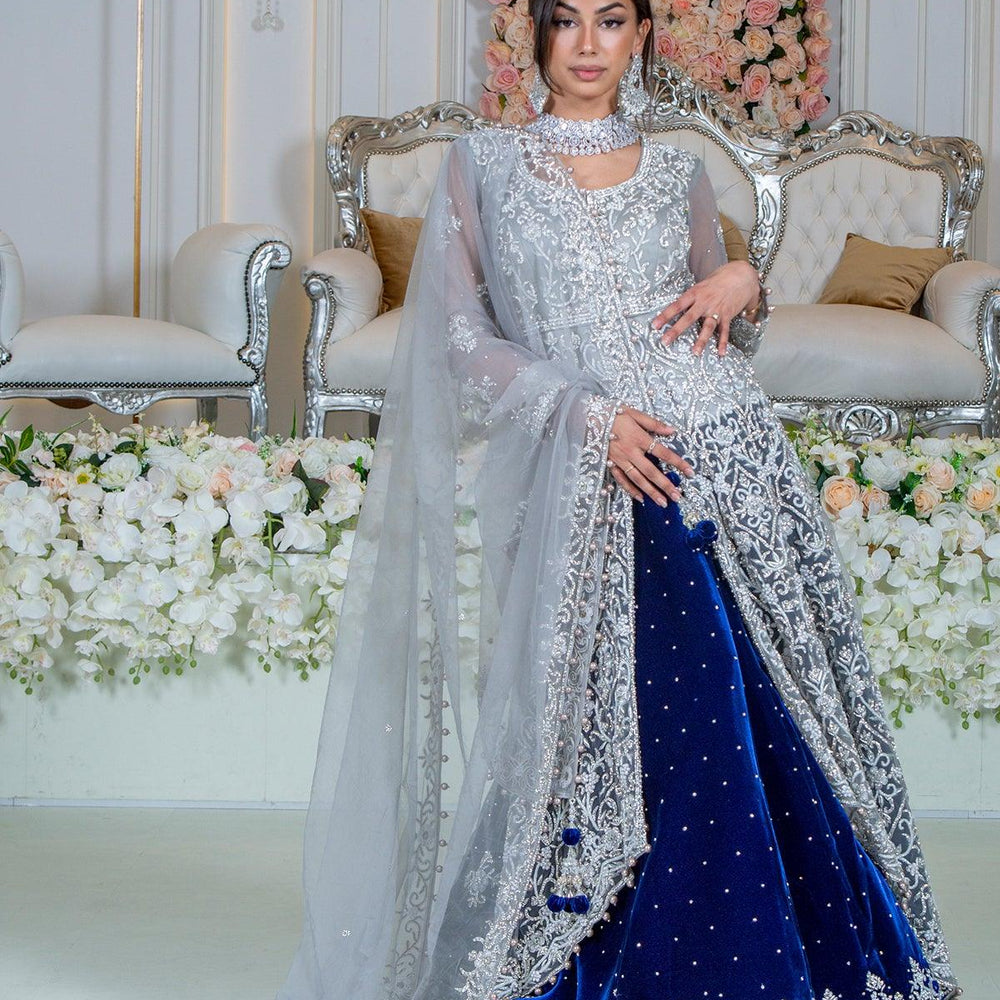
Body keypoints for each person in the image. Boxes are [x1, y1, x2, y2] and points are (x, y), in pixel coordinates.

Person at [276, 1, 958, 998]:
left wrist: (742, 279)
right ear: (537, 37)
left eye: (610, 21)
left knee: (745, 702)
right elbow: (461, 338)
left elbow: (720, 322)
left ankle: (775, 957)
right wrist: (584, 415)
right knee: (675, 704)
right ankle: (628, 953)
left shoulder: (679, 172)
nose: (588, 43)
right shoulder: (484, 164)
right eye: (567, 21)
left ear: (641, 35)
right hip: (591, 465)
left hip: (723, 453)